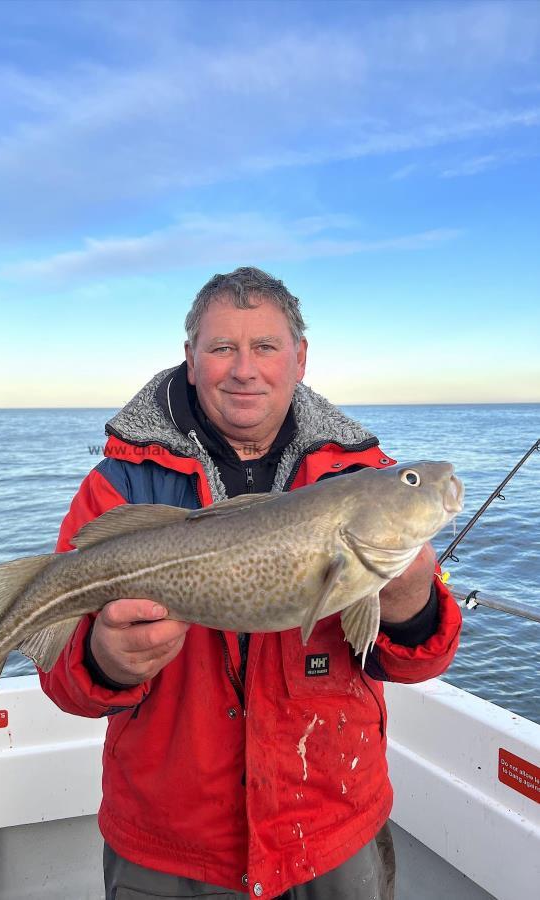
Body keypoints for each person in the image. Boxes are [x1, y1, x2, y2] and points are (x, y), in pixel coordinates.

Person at [39, 267, 462, 900]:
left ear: (300, 358)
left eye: (265, 346)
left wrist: (412, 604)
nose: (244, 368)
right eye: (222, 348)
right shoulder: (118, 486)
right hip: (169, 843)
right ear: (190, 359)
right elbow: (62, 676)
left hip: (331, 826)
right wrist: (104, 659)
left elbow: (414, 661)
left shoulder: (358, 473)